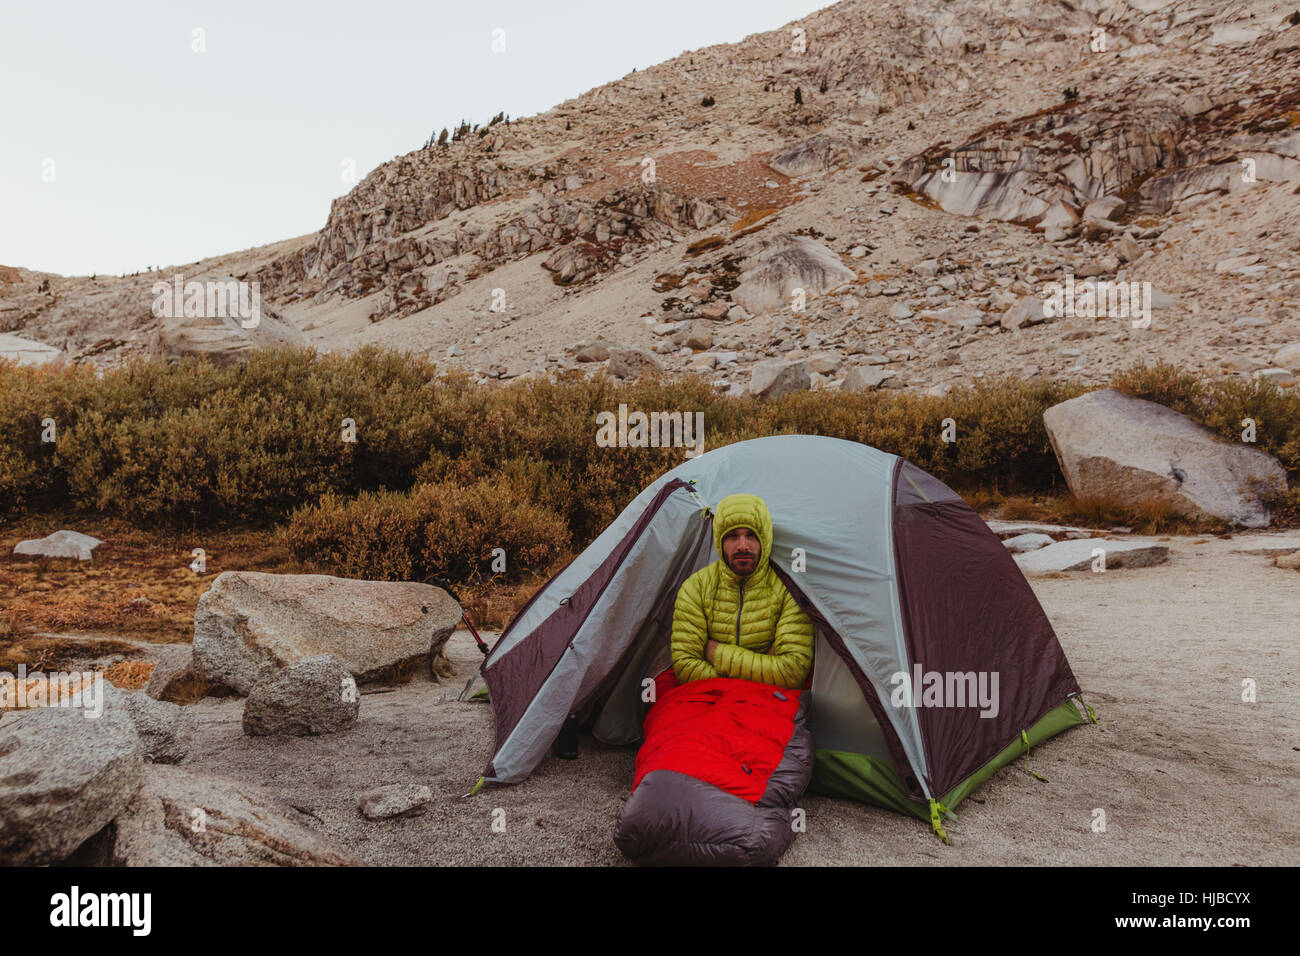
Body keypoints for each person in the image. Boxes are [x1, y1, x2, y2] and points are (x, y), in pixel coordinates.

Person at [670, 492, 813, 689]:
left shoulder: (789, 591)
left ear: (765, 539)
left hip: (768, 702)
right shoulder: (695, 588)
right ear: (719, 541)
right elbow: (685, 665)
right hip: (711, 699)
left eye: (752, 536)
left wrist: (715, 652)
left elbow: (792, 671)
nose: (742, 546)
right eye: (732, 536)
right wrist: (764, 666)